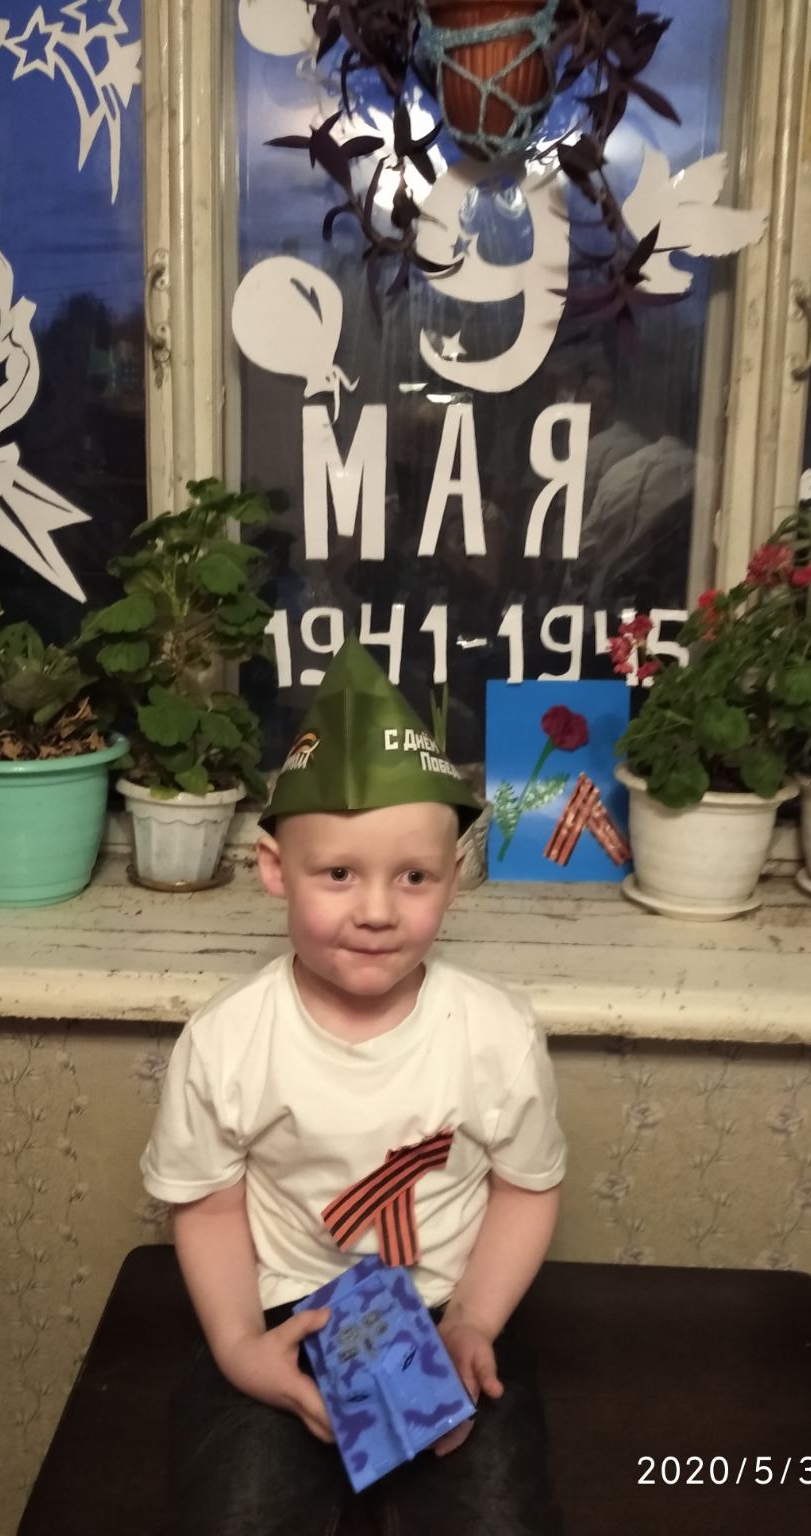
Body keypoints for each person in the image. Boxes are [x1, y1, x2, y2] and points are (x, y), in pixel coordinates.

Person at [141, 634, 567, 1535]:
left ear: (454, 878)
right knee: (236, 1515)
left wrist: (474, 1322)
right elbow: (208, 1207)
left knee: (498, 1520)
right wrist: (240, 1348)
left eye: (413, 877)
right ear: (274, 870)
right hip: (283, 1309)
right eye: (338, 874)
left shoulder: (496, 1031)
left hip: (448, 1306)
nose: (376, 911)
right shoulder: (227, 1039)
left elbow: (526, 1187)